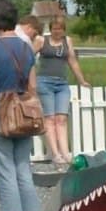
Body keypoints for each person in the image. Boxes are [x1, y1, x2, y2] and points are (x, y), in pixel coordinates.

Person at [0, 0, 42, 211]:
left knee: (5, 170)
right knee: (23, 169)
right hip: (23, 109)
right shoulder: (26, 48)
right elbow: (32, 85)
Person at [33, 14, 90, 168]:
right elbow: (29, 58)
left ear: (64, 30)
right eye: (54, 29)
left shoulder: (67, 41)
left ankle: (65, 152)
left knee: (62, 119)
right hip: (45, 82)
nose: (57, 32)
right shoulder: (41, 41)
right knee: (49, 119)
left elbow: (72, 61)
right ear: (50, 29)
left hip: (62, 84)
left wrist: (81, 80)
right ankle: (55, 153)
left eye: (60, 29)